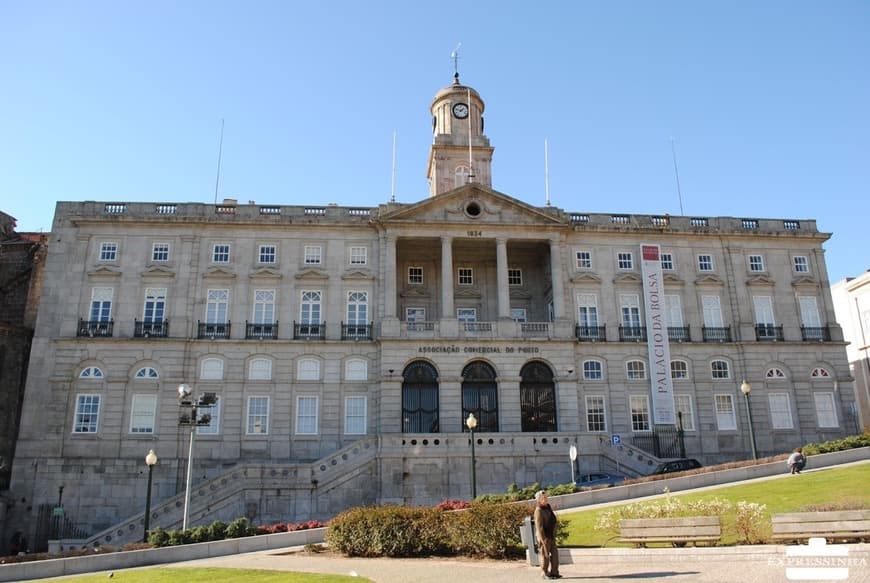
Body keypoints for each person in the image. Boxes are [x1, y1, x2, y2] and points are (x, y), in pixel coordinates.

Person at [533, 490, 561, 580]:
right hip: (544, 537)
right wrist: (543, 540)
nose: (546, 499)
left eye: (546, 497)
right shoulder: (538, 510)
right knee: (545, 555)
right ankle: (544, 573)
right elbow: (539, 527)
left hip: (551, 535)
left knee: (555, 554)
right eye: (543, 498)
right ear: (539, 500)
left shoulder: (548, 507)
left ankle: (554, 572)